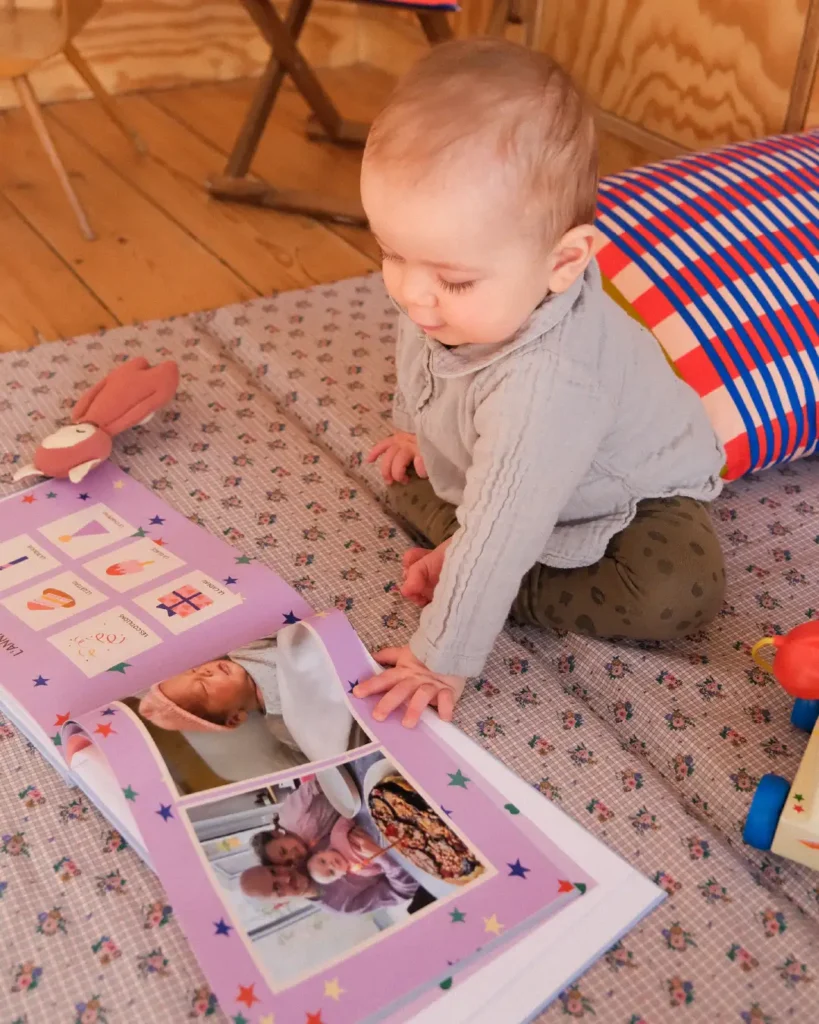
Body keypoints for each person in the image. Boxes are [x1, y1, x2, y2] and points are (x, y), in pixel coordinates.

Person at [356, 38, 725, 729]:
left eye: (452, 278)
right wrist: (412, 425)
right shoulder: (447, 292)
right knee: (404, 470)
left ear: (564, 261)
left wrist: (441, 655)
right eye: (390, 253)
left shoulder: (550, 385)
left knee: (680, 591)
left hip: (626, 497)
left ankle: (498, 577)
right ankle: (472, 550)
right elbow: (420, 351)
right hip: (504, 475)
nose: (412, 293)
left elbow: (503, 524)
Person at [138, 637, 361, 765]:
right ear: (234, 718)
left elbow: (291, 626)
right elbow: (330, 744)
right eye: (203, 686)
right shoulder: (281, 725)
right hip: (362, 686)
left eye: (194, 669)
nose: (205, 671)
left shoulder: (246, 648)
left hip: (347, 642)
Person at [306, 818, 385, 883]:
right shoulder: (362, 870)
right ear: (339, 877)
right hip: (388, 845)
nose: (331, 865)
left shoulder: (336, 836)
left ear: (321, 852)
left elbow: (350, 815)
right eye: (331, 872)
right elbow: (386, 866)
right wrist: (379, 856)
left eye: (323, 861)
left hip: (376, 822)